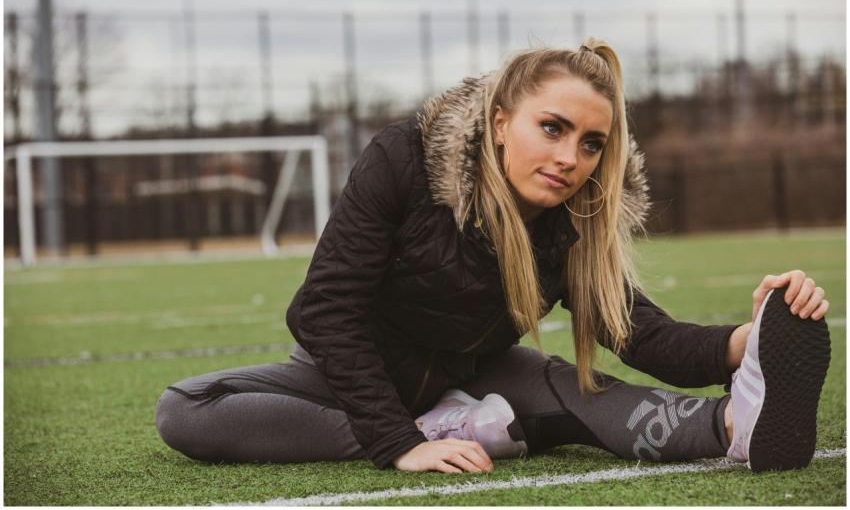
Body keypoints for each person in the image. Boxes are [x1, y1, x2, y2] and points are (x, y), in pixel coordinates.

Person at [155, 39, 831, 474]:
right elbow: (327, 308)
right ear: (501, 121)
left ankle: (739, 422)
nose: (571, 158)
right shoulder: (404, 160)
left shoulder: (577, 217)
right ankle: (429, 423)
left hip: (478, 371)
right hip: (351, 369)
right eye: (553, 128)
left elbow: (640, 333)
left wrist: (753, 338)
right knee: (186, 409)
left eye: (592, 143)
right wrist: (399, 439)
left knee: (579, 389)